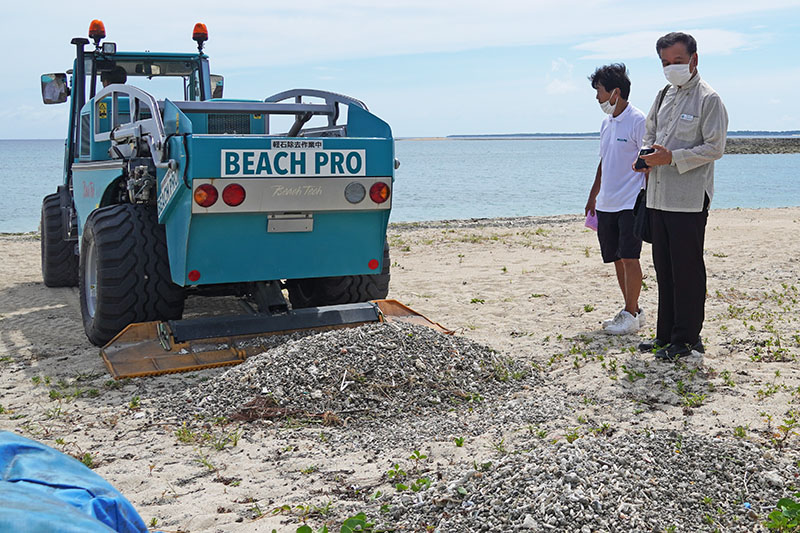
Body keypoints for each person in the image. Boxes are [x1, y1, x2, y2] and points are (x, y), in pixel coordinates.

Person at [635, 32, 728, 361]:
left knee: (686, 269)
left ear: (694, 60)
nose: (671, 68)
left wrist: (671, 157)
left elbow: (715, 147)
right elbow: (650, 131)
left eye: (676, 61)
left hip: (688, 199)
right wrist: (646, 158)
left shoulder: (708, 99)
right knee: (664, 268)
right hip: (658, 196)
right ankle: (666, 336)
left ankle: (688, 338)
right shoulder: (663, 95)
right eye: (665, 63)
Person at [585, 64, 647, 335]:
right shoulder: (606, 122)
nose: (597, 97)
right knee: (616, 259)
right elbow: (604, 161)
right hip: (606, 203)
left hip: (630, 201)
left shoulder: (638, 120)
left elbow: (648, 160)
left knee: (630, 257)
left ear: (615, 92)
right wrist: (593, 195)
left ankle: (631, 313)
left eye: (599, 90)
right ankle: (630, 309)